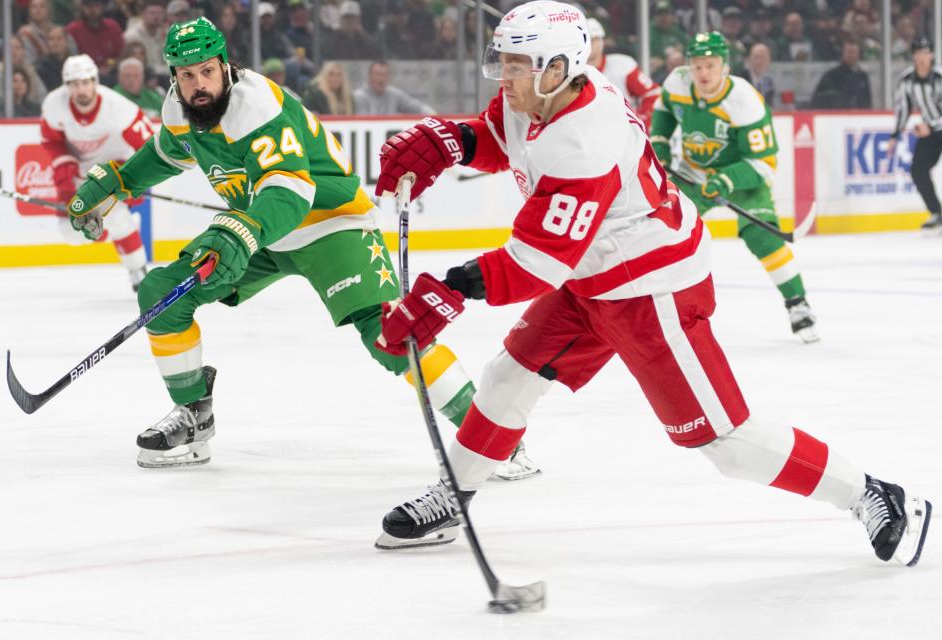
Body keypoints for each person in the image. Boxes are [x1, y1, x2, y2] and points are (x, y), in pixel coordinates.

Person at [368, 1, 932, 570]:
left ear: (558, 67)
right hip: (590, 276)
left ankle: (874, 494)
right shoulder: (539, 94)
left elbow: (537, 262)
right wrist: (451, 141)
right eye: (504, 63)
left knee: (726, 442)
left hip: (650, 287)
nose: (503, 77)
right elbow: (500, 135)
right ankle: (456, 497)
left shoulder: (585, 141)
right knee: (508, 376)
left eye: (517, 65)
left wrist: (450, 290)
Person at [64, 18, 537, 479]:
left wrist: (239, 230)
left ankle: (493, 437)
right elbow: (169, 153)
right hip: (260, 229)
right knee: (163, 292)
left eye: (207, 70)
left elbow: (291, 192)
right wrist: (121, 181)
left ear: (226, 64)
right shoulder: (180, 106)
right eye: (187, 76)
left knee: (390, 335)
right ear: (173, 77)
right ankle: (193, 418)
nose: (198, 84)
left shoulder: (258, 106)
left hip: (331, 222)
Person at [651, 33, 818, 342]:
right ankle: (656, 310)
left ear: (724, 66)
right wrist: (659, 146)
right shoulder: (677, 82)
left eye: (710, 66)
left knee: (763, 238)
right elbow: (662, 112)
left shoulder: (744, 100)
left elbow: (764, 162)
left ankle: (798, 304)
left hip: (741, 175)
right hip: (694, 174)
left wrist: (726, 180)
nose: (703, 74)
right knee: (662, 232)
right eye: (697, 66)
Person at [41, 54, 150, 290]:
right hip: (81, 172)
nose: (80, 89)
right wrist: (64, 175)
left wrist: (137, 180)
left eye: (85, 82)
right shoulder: (53, 104)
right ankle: (99, 228)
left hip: (115, 169)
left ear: (95, 81)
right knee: (70, 234)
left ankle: (138, 270)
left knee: (118, 215)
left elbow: (149, 145)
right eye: (74, 84)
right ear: (66, 85)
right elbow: (51, 141)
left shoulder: (119, 108)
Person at [888, 37, 942, 231]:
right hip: (931, 132)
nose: (923, 57)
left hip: (933, 127)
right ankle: (937, 212)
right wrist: (895, 135)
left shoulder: (940, 77)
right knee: (918, 170)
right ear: (913, 55)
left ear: (932, 55)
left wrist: (933, 125)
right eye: (919, 53)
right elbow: (903, 108)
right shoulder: (906, 80)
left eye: (926, 53)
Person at [586, 18, 659, 127]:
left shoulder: (622, 65)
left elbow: (653, 93)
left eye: (596, 39)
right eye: (588, 40)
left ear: (602, 41)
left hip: (624, 135)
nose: (592, 44)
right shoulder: (570, 72)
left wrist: (639, 123)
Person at [66, 0, 125, 84]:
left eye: (96, 6)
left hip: (111, 74)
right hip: (83, 76)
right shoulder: (73, 29)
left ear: (103, 7)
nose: (92, 10)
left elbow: (122, 54)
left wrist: (110, 67)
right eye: (88, 6)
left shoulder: (113, 27)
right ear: (82, 7)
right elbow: (71, 58)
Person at [354, 60, 435, 115]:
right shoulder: (356, 97)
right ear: (369, 76)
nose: (381, 79)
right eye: (377, 74)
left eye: (384, 75)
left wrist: (436, 117)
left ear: (389, 77)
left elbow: (418, 108)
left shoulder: (394, 95)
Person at [811, 39, 872, 108]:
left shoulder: (863, 76)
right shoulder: (831, 75)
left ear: (858, 54)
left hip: (859, 116)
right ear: (842, 54)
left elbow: (867, 101)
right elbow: (821, 101)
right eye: (848, 52)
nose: (851, 55)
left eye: (854, 52)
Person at [123, 0, 170, 86]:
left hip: (165, 76)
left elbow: (171, 61)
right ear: (143, 14)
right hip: (142, 77)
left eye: (160, 13)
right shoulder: (132, 35)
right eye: (152, 13)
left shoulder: (166, 33)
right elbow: (138, 65)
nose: (156, 16)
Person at [35, 25, 73, 91]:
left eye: (59, 38)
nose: (55, 43)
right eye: (51, 39)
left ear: (66, 41)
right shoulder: (41, 68)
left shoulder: (74, 64)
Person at [739, 43, 776, 108]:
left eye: (763, 58)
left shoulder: (769, 80)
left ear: (769, 61)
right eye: (756, 57)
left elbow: (771, 105)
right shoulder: (741, 80)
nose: (759, 62)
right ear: (749, 60)